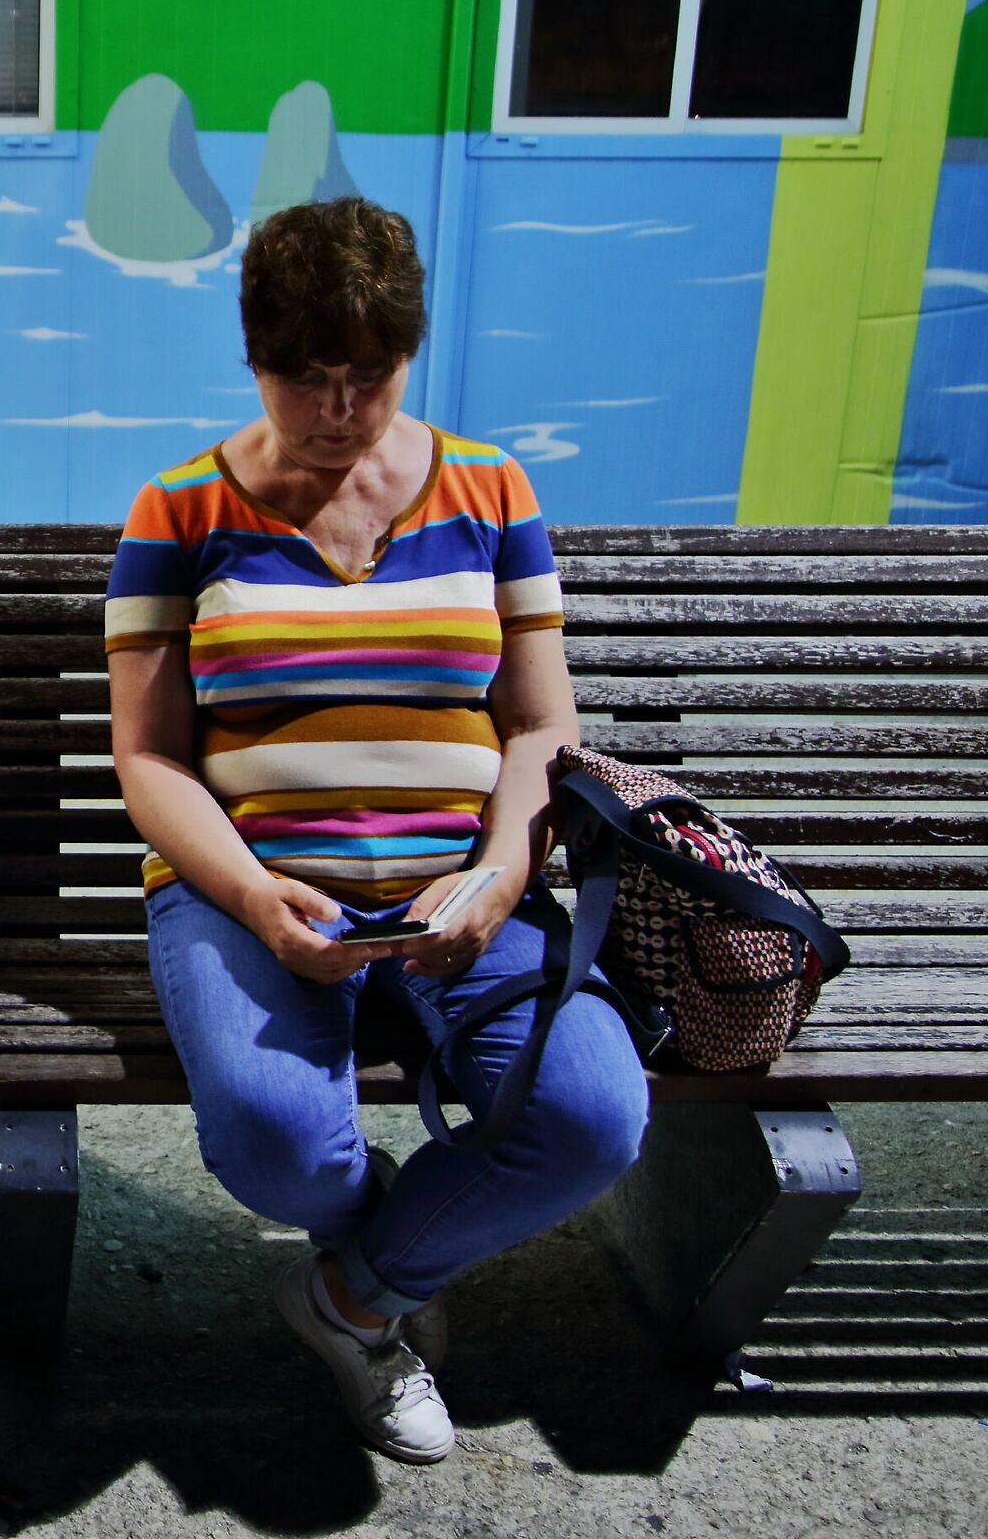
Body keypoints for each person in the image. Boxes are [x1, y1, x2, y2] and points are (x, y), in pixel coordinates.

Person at [104, 199, 649, 1463]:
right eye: (308, 378)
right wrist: (247, 896)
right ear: (256, 359)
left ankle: (349, 1301)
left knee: (592, 1117)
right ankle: (392, 1267)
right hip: (251, 881)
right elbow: (151, 755)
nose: (342, 408)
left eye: (372, 376)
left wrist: (507, 866)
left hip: (463, 887)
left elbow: (537, 723)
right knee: (276, 1143)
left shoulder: (491, 487)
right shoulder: (177, 512)